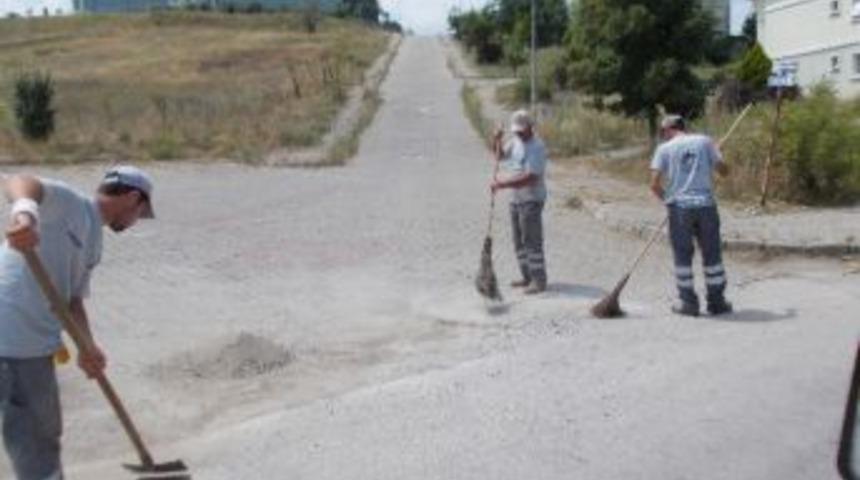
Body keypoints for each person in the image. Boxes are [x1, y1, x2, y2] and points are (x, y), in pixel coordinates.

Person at [0, 166, 155, 480]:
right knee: (38, 444)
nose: (138, 220)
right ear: (132, 198)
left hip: (30, 344)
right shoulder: (71, 204)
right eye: (142, 212)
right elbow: (18, 181)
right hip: (15, 339)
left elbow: (72, 301)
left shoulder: (93, 242)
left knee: (38, 438)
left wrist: (87, 347)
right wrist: (25, 214)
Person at [650, 115, 732, 317]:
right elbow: (724, 172)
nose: (663, 135)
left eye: (663, 132)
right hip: (706, 206)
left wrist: (669, 201)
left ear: (668, 130)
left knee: (682, 255)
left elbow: (654, 185)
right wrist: (716, 155)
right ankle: (717, 302)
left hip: (680, 208)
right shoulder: (705, 141)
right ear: (683, 127)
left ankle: (688, 303)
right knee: (712, 254)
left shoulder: (664, 149)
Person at [491, 110, 549, 295]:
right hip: (516, 199)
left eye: (521, 130)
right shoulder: (515, 141)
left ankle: (539, 280)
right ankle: (527, 277)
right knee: (518, 241)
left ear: (530, 127)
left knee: (531, 240)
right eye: (516, 131)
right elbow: (500, 156)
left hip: (532, 199)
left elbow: (531, 178)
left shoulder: (537, 147)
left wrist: (502, 184)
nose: (518, 133)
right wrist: (497, 140)